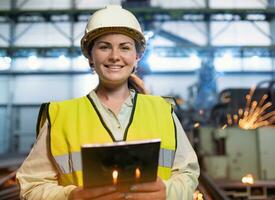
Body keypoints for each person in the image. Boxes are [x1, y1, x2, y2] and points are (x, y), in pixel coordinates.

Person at [16, 5, 200, 200]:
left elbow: (187, 173)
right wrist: (71, 197)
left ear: (136, 57)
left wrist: (168, 192)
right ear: (90, 57)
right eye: (104, 47)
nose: (114, 56)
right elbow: (31, 187)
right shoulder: (61, 116)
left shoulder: (162, 111)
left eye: (125, 47)